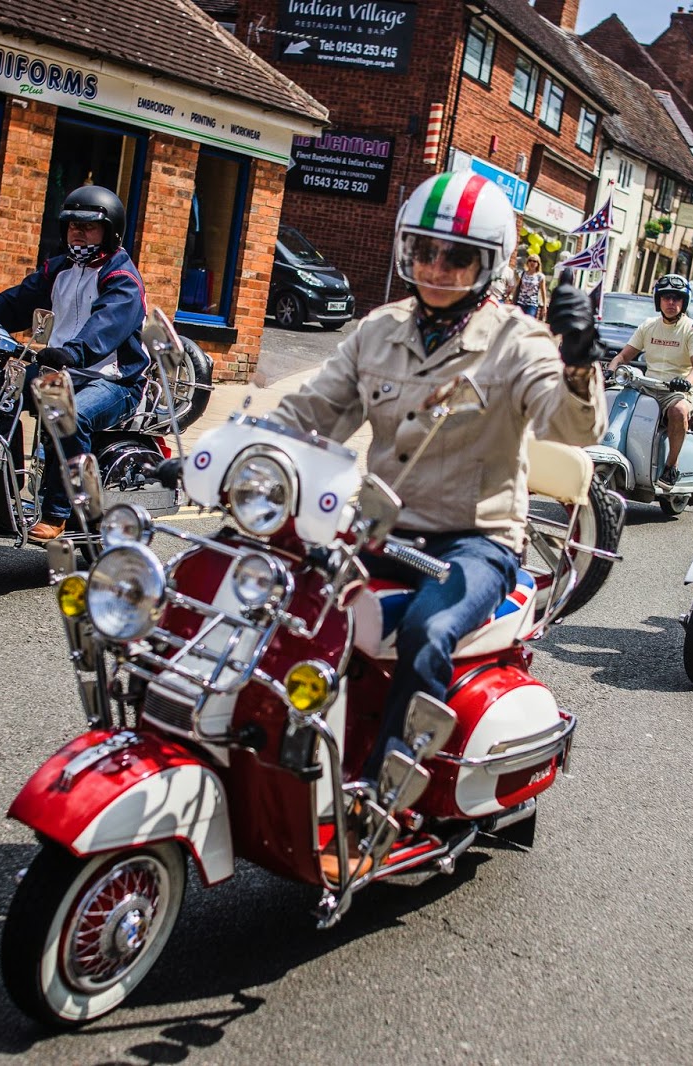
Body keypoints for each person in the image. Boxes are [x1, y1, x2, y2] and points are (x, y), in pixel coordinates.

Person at [266, 171, 605, 875]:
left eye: (456, 256)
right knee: (275, 590)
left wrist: (579, 359)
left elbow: (569, 425)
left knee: (429, 628)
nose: (436, 268)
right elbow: (311, 410)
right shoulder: (378, 330)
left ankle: (385, 791)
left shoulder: (518, 341)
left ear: (489, 265)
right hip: (380, 525)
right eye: (424, 250)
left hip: (473, 539)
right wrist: (230, 449)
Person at [0, 185, 149, 542]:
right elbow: (16, 302)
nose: (78, 233)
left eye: (87, 227)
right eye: (72, 226)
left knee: (72, 415)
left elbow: (106, 327)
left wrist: (73, 352)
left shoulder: (122, 280)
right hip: (61, 369)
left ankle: (57, 513)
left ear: (110, 231)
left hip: (114, 380)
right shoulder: (59, 269)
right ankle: (3, 483)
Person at [606, 273, 693, 489]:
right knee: (613, 399)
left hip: (675, 391)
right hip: (647, 386)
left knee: (678, 411)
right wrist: (610, 370)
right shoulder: (648, 326)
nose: (671, 302)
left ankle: (672, 466)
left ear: (684, 302)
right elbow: (623, 356)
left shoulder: (691, 330)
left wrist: (687, 382)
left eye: (676, 298)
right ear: (658, 300)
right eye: (666, 297)